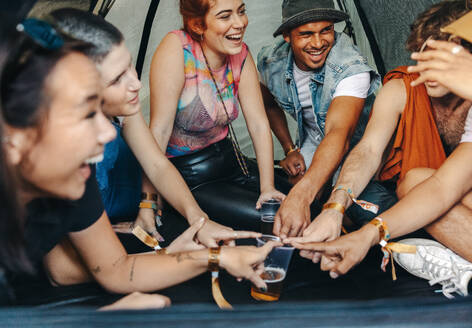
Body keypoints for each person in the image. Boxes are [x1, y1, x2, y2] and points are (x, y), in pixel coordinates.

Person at [1, 18, 279, 303]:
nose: (109, 132)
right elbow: (62, 272)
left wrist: (208, 253)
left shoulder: (75, 172)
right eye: (85, 115)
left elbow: (114, 268)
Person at [292, 0, 472, 298]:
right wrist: (361, 232)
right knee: (409, 185)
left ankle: (463, 255)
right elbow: (436, 185)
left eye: (445, 56)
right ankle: (463, 256)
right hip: (466, 195)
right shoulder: (415, 91)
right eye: (424, 53)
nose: (428, 67)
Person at [50, 8, 256, 247]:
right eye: (117, 79)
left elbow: (157, 164)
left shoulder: (127, 108)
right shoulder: (57, 154)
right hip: (102, 219)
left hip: (144, 198)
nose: (136, 84)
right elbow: (65, 270)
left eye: (130, 67)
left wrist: (197, 220)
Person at [147, 0, 288, 232]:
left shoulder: (240, 53)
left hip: (231, 161)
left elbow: (258, 124)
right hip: (189, 177)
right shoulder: (177, 49)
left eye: (241, 12)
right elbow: (158, 132)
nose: (240, 23)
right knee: (275, 220)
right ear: (197, 25)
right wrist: (149, 201)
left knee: (301, 204)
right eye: (225, 16)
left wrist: (267, 187)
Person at [257, 0, 380, 238]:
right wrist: (289, 148)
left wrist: (303, 195)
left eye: (326, 30)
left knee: (352, 210)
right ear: (286, 36)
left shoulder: (350, 67)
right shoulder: (270, 61)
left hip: (360, 144)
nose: (317, 43)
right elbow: (268, 104)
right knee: (295, 186)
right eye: (306, 34)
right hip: (314, 138)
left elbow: (339, 134)